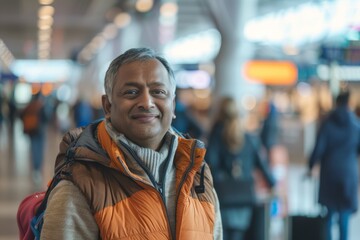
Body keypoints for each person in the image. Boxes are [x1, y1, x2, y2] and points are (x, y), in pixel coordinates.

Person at [41, 47, 222, 239]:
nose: (146, 102)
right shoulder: (80, 183)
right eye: (131, 92)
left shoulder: (197, 174)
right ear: (108, 106)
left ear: (173, 104)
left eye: (158, 91)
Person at [206, 96, 275, 240]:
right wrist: (273, 183)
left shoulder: (216, 136)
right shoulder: (248, 138)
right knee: (238, 235)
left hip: (222, 197)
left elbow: (209, 164)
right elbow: (261, 165)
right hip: (243, 198)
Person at [307, 91, 360, 240]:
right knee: (344, 216)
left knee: (329, 216)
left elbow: (318, 148)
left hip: (329, 173)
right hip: (348, 174)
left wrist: (311, 166)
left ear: (336, 103)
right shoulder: (356, 126)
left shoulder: (327, 123)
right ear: (349, 103)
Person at [20, 92, 50, 187]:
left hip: (31, 131)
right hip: (40, 131)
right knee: (39, 150)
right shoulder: (41, 106)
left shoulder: (29, 105)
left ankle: (35, 169)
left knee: (33, 149)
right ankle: (37, 168)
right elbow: (46, 118)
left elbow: (21, 115)